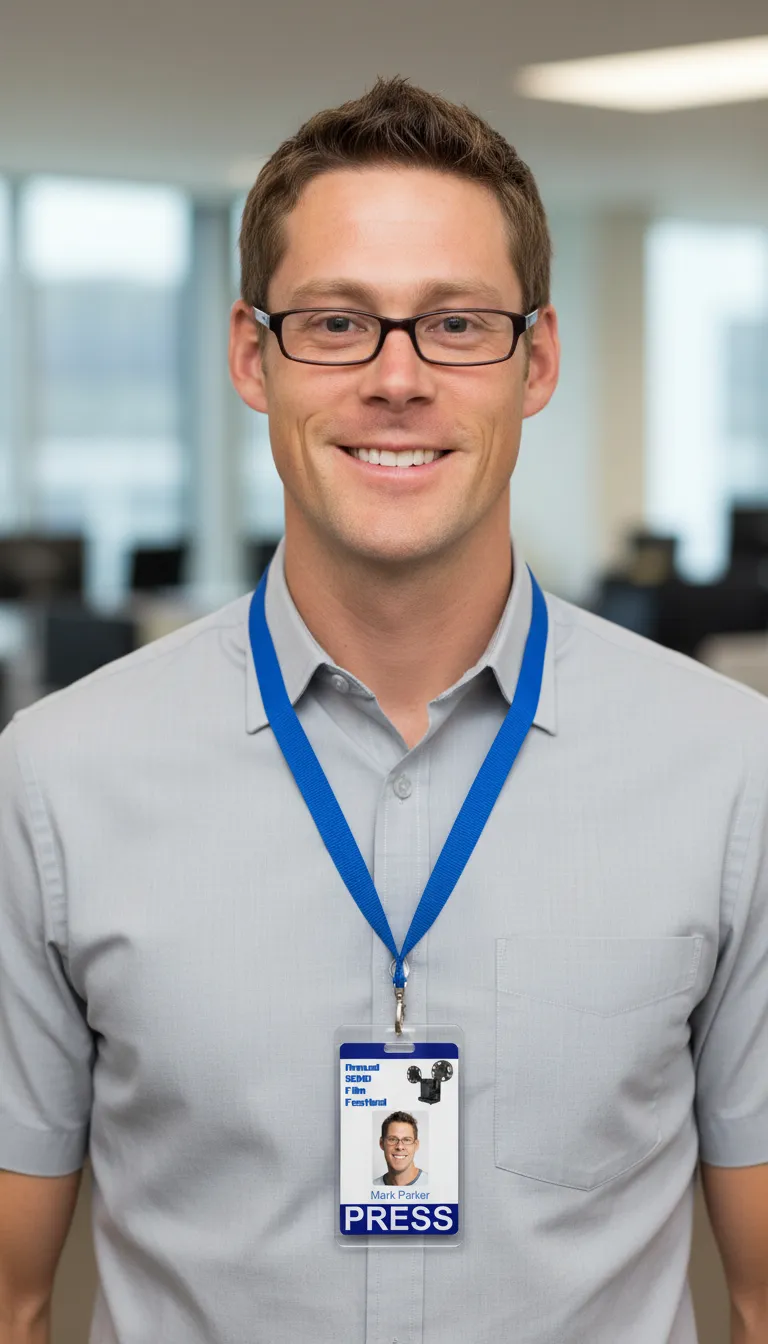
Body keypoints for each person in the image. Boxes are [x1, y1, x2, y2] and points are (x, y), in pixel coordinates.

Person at [0, 76, 766, 1344]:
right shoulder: (55, 781)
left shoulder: (730, 773)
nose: (397, 379)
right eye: (337, 324)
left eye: (459, 324)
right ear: (254, 358)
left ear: (539, 361)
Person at [373, 1112, 428, 1188]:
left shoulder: (431, 1184)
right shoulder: (372, 1187)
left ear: (416, 1145)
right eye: (392, 1139)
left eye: (407, 1140)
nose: (400, 1146)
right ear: (381, 1143)